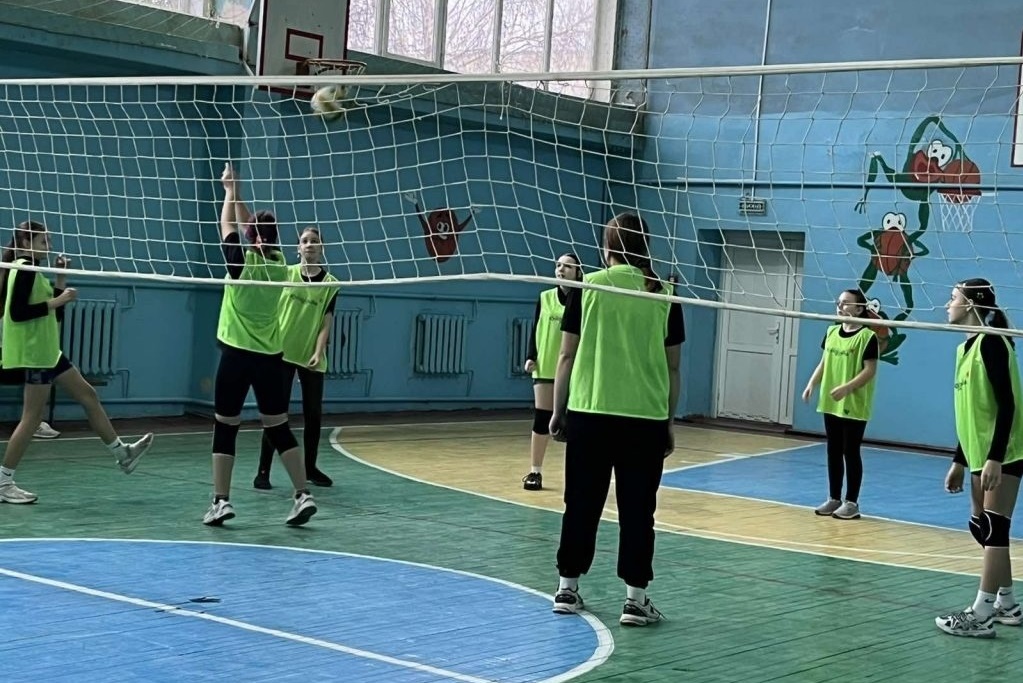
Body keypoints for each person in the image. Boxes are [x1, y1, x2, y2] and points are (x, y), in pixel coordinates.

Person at [549, 212, 684, 627]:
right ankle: (635, 600)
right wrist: (668, 421)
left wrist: (558, 411)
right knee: (638, 511)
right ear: (646, 247)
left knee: (580, 503)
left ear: (607, 247)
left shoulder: (586, 287)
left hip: (590, 413)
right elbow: (673, 367)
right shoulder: (665, 294)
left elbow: (566, 355)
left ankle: (567, 588)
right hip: (644, 418)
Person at [0, 220, 152, 504]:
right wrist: (58, 301)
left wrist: (60, 279)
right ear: (26, 243)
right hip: (35, 354)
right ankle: (3, 481)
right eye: (44, 241)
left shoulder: (34, 271)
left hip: (49, 351)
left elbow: (53, 315)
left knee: (88, 395)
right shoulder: (24, 268)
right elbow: (18, 313)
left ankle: (123, 454)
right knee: (32, 418)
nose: (49, 246)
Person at [204, 164, 317, 527]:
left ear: (251, 238)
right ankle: (302, 494)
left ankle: (221, 501)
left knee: (226, 426)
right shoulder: (280, 264)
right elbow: (247, 227)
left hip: (236, 356)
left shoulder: (241, 263)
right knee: (278, 425)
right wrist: (237, 191)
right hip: (270, 359)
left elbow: (227, 225)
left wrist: (227, 192)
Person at [936, 278, 1023, 638]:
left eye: (953, 298)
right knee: (983, 528)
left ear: (971, 304)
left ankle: (981, 614)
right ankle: (1008, 604)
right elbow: (970, 410)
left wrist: (995, 458)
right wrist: (959, 459)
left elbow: (1008, 405)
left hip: (1004, 453)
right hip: (976, 453)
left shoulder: (992, 342)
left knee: (996, 528)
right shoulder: (965, 349)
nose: (947, 304)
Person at [253, 226, 341, 490]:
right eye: (305, 241)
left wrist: (318, 351)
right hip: (281, 353)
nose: (310, 244)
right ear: (298, 248)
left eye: (315, 241)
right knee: (276, 414)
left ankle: (310, 468)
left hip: (311, 355)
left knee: (313, 415)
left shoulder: (330, 283)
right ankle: (263, 471)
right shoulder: (286, 273)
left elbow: (326, 322)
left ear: (322, 248)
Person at [801, 288, 880, 520]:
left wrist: (847, 387)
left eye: (846, 302)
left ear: (859, 308)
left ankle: (852, 503)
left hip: (853, 402)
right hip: (830, 400)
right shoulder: (831, 331)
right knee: (833, 450)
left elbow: (870, 370)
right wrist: (811, 384)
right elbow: (824, 362)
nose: (840, 306)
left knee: (850, 451)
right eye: (839, 302)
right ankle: (833, 498)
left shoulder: (867, 337)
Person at [521, 253, 582, 491]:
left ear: (578, 272)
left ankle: (577, 477)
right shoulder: (545, 297)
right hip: (546, 366)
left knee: (576, 423)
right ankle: (535, 471)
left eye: (567, 266)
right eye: (558, 265)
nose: (561, 270)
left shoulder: (585, 297)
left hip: (576, 368)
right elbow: (535, 328)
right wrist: (531, 356)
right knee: (542, 419)